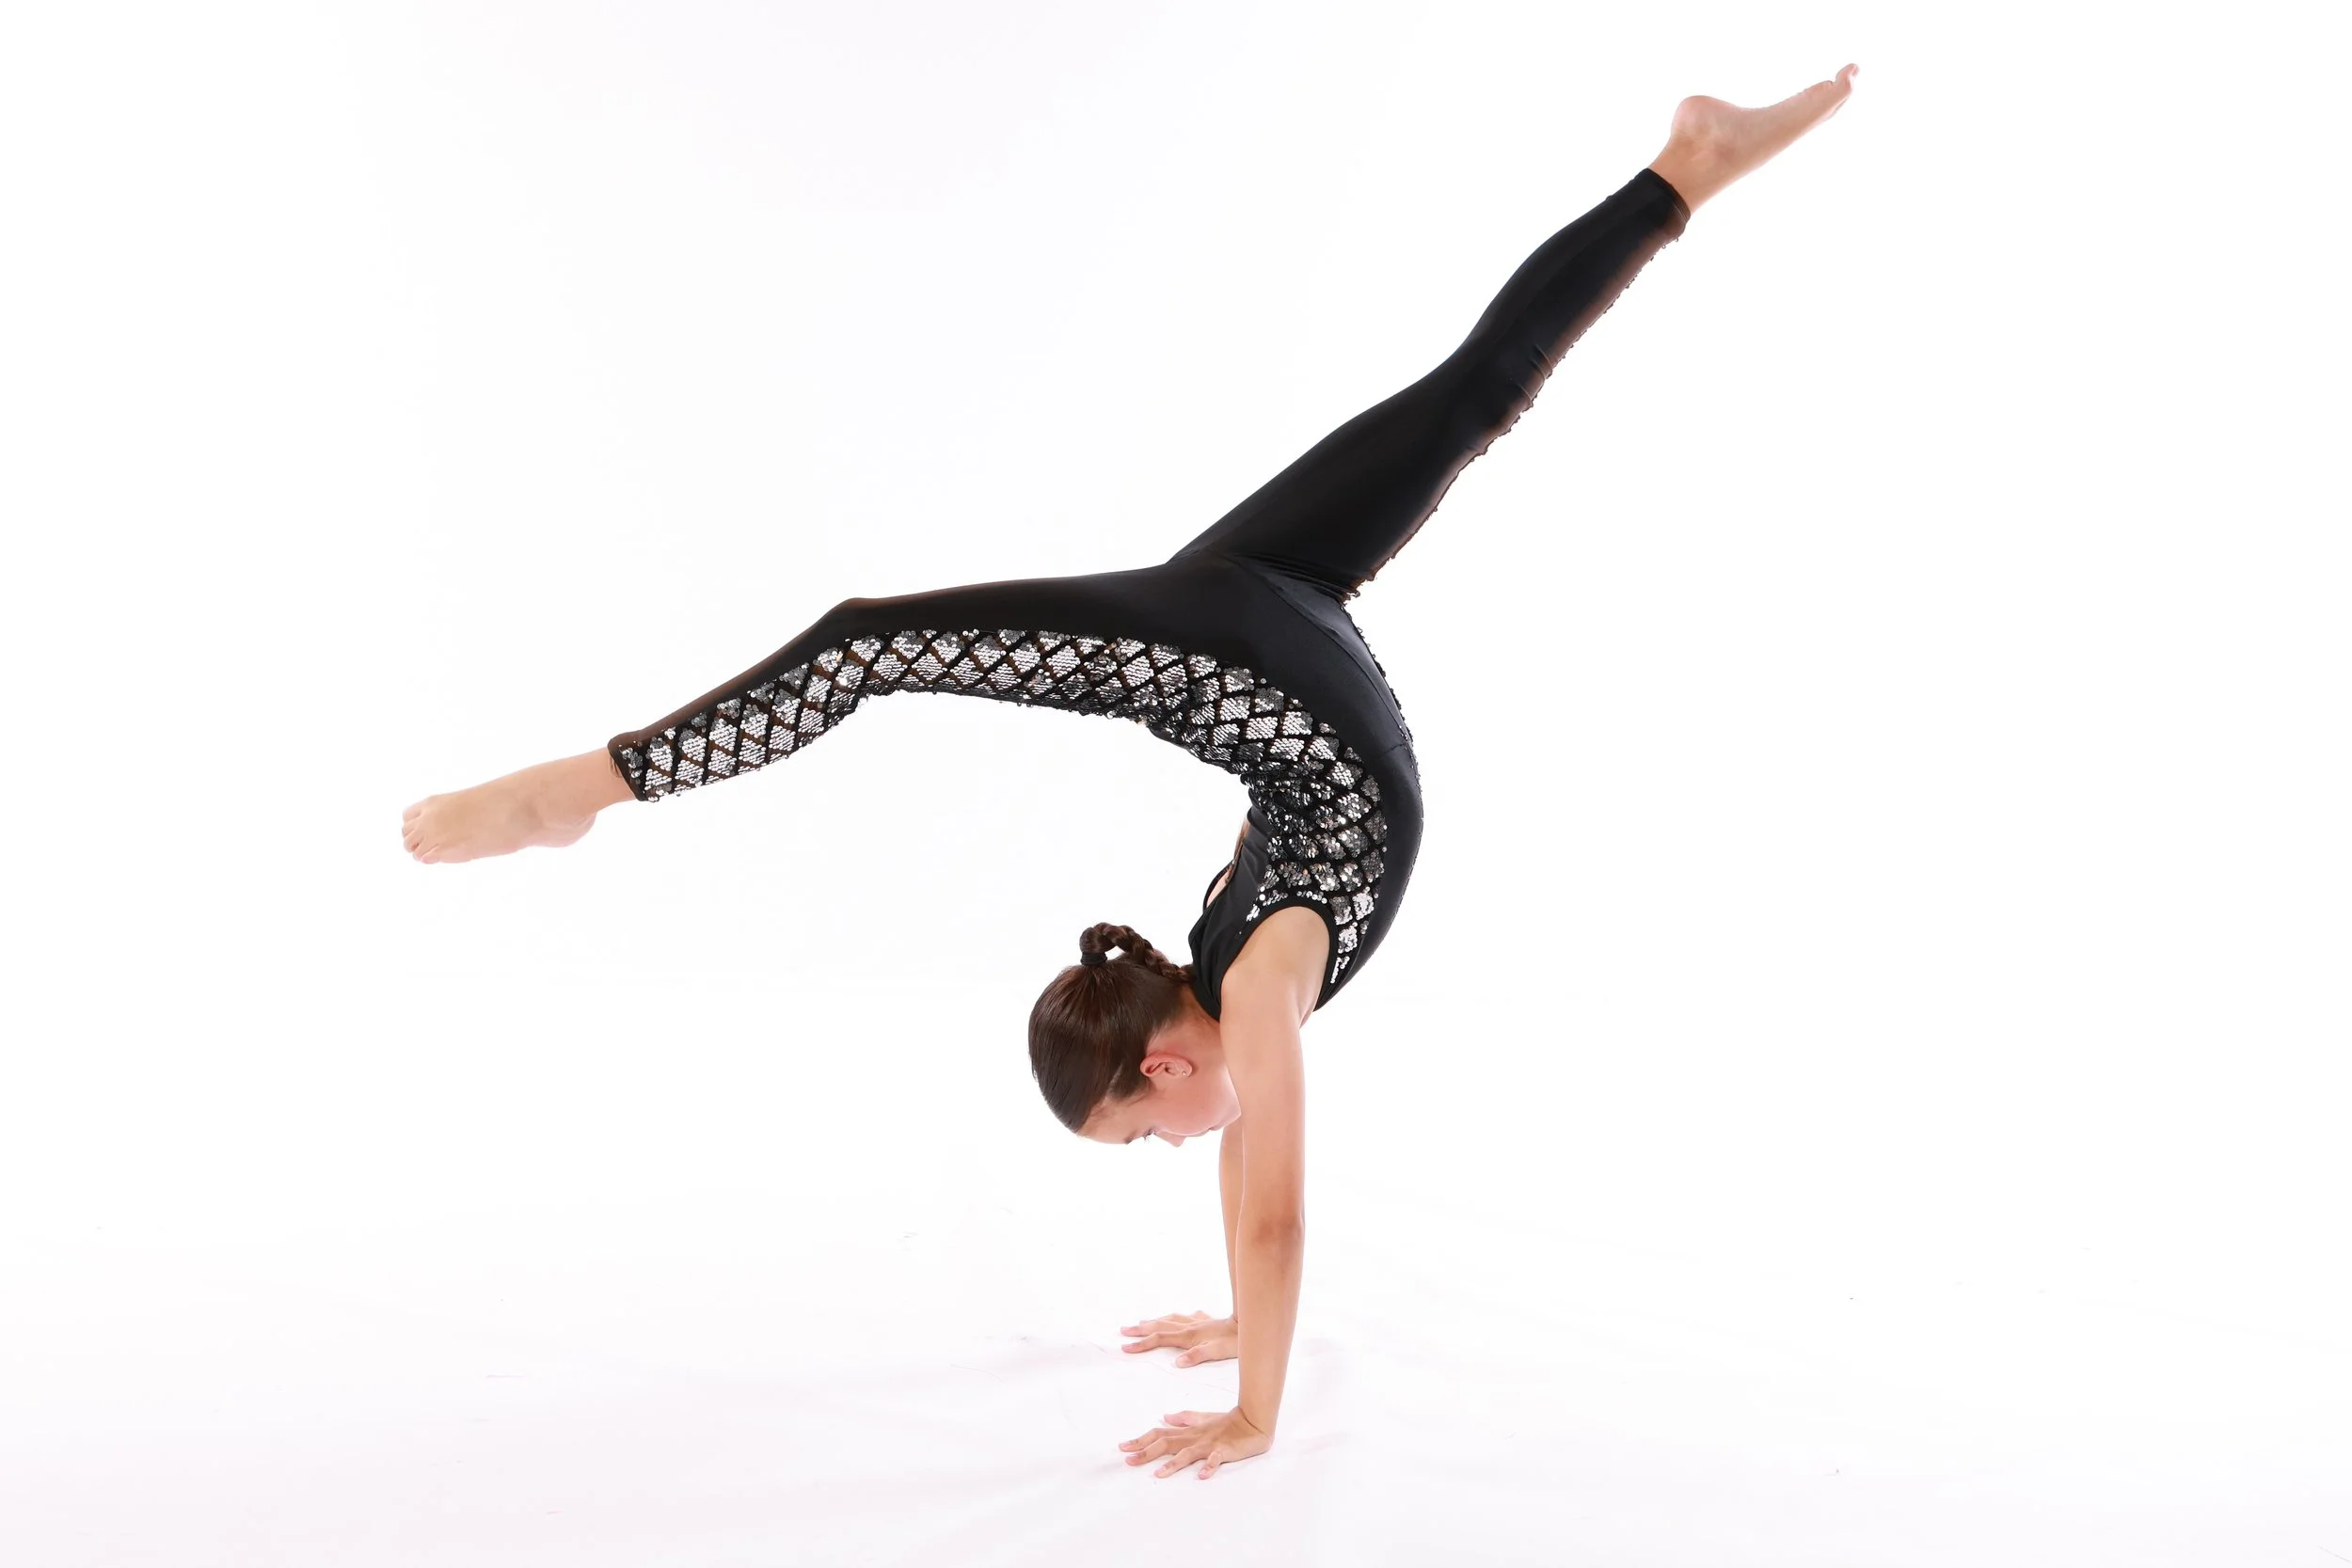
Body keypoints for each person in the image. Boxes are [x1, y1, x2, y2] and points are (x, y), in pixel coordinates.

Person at [401, 66, 1860, 1479]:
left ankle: (578, 788)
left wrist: (1256, 1412)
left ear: (1164, 1059)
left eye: (1142, 1127)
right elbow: (1248, 1164)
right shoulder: (1239, 989)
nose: (1175, 1140)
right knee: (1474, 394)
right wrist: (1235, 1322)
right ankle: (1688, 166)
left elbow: (1276, 1207)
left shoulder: (1260, 990)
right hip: (1273, 606)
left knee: (869, 641)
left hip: (1239, 652)